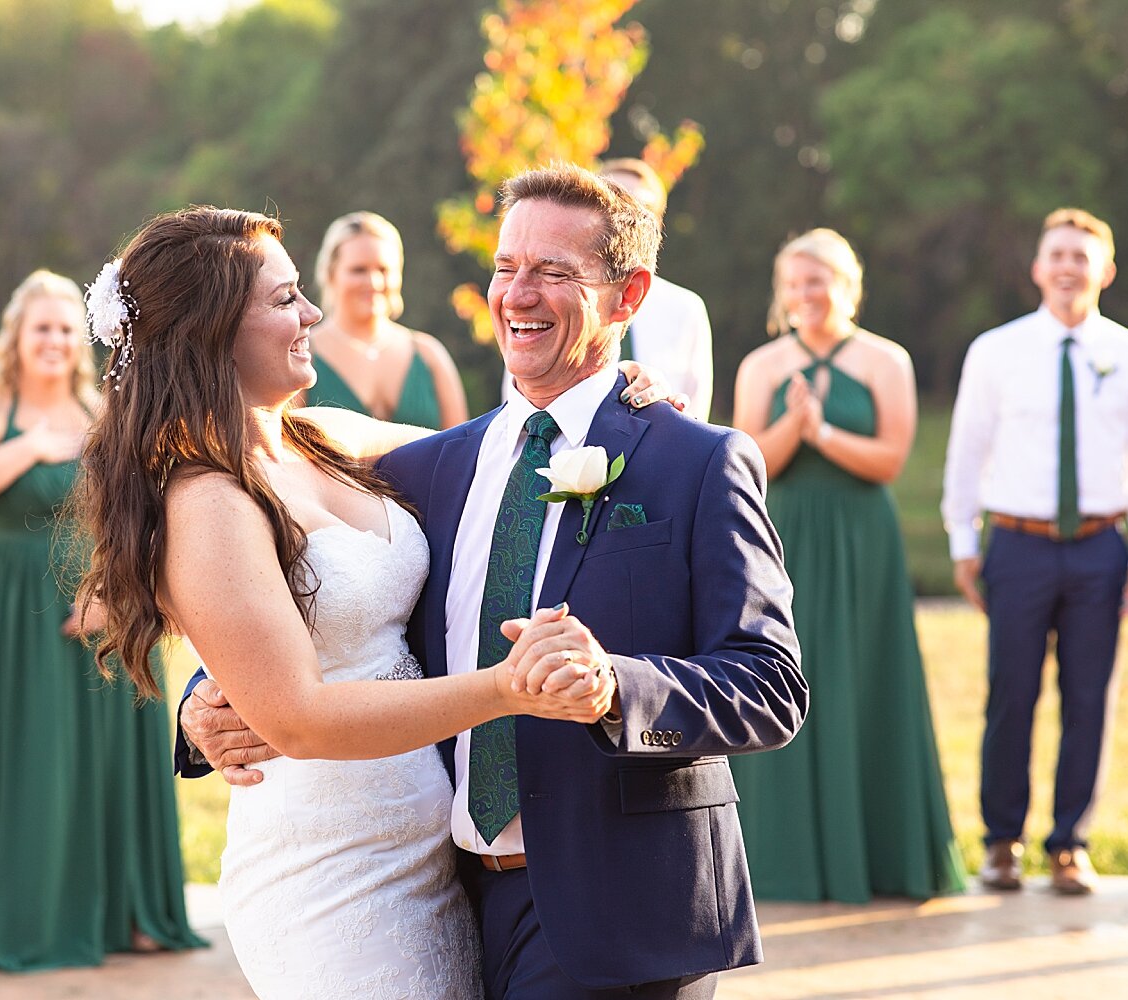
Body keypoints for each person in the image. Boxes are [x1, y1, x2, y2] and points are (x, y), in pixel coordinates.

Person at [174, 164, 808, 999]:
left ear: (629, 296)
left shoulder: (698, 460)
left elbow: (771, 687)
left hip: (624, 908)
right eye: (507, 267)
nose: (519, 294)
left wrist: (612, 688)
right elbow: (338, 598)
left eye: (554, 272)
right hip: (446, 897)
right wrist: (203, 700)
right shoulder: (433, 467)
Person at [0, 270, 206, 971]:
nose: (54, 340)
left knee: (108, 760)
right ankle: (18, 913)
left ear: (80, 340)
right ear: (16, 340)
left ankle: (129, 912)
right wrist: (29, 446)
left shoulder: (110, 415)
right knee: (27, 758)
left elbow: (156, 513)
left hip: (104, 609)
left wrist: (120, 593)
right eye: (41, 328)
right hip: (6, 615)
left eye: (65, 327)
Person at [729, 228, 965, 903]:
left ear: (847, 286)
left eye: (820, 280)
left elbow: (892, 459)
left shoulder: (885, 360)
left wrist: (825, 431)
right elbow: (748, 466)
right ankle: (783, 859)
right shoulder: (762, 365)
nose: (807, 294)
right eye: (796, 282)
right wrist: (791, 429)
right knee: (783, 673)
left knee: (865, 677)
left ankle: (881, 857)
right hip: (787, 535)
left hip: (864, 539)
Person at [942, 208, 1128, 895]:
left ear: (1105, 272)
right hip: (1018, 546)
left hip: (1100, 549)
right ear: (1037, 267)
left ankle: (1070, 843)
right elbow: (967, 450)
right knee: (1011, 694)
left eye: (1081, 257)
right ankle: (1003, 842)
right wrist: (965, 542)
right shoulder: (996, 351)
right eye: (1057, 254)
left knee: (1089, 697)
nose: (1067, 267)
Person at [301, 210, 469, 428]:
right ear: (331, 274)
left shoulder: (429, 355)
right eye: (358, 270)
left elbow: (463, 448)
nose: (374, 282)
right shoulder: (304, 355)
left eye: (383, 269)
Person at [596, 158, 713, 420]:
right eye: (613, 203)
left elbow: (696, 414)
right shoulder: (555, 299)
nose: (625, 218)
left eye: (642, 209)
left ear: (657, 226)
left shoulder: (686, 309)